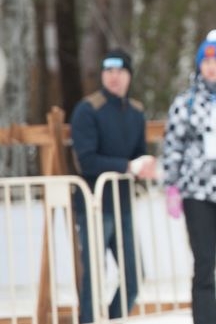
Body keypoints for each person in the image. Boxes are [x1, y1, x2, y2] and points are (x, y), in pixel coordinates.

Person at [161, 30, 216, 324]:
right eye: (206, 61)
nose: (211, 66)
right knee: (204, 266)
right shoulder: (184, 103)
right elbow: (173, 146)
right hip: (196, 195)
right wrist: (171, 186)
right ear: (199, 65)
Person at [70, 48, 157, 323]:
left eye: (119, 71)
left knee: (134, 277)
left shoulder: (136, 112)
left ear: (129, 75)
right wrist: (127, 167)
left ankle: (110, 319)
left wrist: (143, 167)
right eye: (108, 71)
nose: (114, 77)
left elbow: (138, 154)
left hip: (124, 207)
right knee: (94, 280)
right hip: (94, 205)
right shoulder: (88, 109)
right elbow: (86, 161)